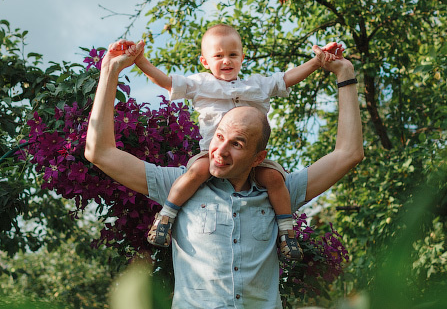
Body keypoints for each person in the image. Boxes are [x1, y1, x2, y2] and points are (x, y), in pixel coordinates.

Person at [84, 38, 363, 309]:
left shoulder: (278, 191)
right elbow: (100, 152)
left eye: (237, 144)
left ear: (258, 157)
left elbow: (348, 153)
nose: (220, 151)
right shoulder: (178, 185)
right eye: (219, 138)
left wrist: (345, 77)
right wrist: (109, 72)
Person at [131, 23, 336, 264]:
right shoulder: (201, 83)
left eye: (232, 55)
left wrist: (316, 62)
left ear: (242, 57)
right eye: (218, 56)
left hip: (249, 158)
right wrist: (140, 61)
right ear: (205, 61)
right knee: (196, 170)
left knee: (274, 179)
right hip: (212, 154)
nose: (226, 61)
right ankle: (166, 215)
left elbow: (286, 79)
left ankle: (286, 231)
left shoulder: (257, 85)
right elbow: (167, 82)